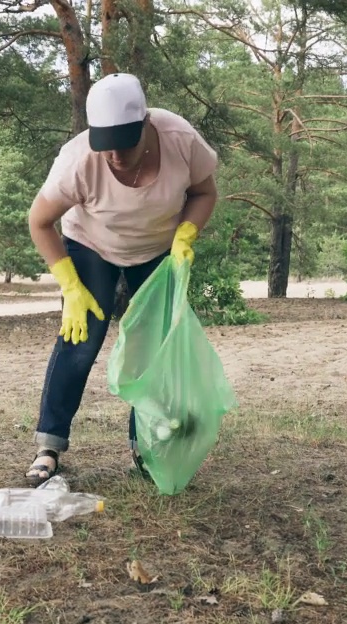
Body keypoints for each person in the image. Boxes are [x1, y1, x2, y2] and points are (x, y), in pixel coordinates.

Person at [23, 73, 219, 482]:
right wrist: (70, 286)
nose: (113, 153)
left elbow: (204, 192)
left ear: (146, 124)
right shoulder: (78, 160)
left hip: (157, 252)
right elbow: (39, 221)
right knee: (80, 341)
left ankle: (144, 447)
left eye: (124, 141)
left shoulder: (180, 139)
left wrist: (186, 234)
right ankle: (50, 444)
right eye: (104, 142)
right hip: (91, 247)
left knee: (152, 348)